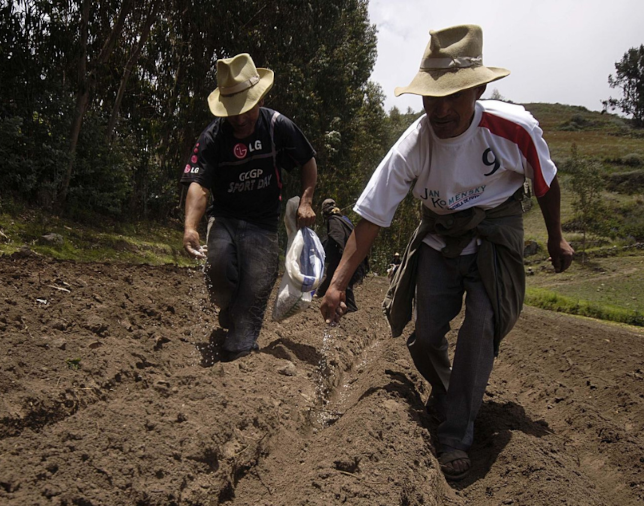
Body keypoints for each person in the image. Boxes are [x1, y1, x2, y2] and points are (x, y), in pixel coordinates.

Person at [319, 25, 573, 481]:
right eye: (430, 97)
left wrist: (556, 237)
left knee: (481, 322)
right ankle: (449, 393)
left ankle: (456, 432)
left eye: (453, 96)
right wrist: (337, 283)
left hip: (495, 233)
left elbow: (546, 183)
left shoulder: (515, 130)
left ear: (477, 88)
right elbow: (373, 217)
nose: (440, 109)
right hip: (438, 234)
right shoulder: (413, 145)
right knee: (425, 335)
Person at [181, 53, 317, 362]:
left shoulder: (276, 126)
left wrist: (306, 200)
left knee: (255, 289)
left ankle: (239, 343)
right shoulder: (213, 137)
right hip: (226, 217)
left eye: (246, 109)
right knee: (216, 268)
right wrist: (190, 227)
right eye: (233, 112)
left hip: (263, 222)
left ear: (258, 99)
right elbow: (200, 185)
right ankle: (229, 310)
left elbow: (307, 161)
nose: (240, 118)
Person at [316, 198, 366, 312]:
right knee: (331, 274)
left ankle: (350, 306)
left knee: (341, 279)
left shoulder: (333, 220)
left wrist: (342, 254)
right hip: (351, 255)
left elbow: (336, 235)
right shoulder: (344, 220)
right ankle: (320, 293)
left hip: (343, 255)